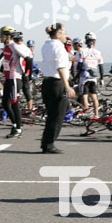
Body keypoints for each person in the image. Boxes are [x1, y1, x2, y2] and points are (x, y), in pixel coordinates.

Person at [40, 23, 77, 153]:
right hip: (57, 83)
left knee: (52, 114)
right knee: (57, 115)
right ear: (58, 34)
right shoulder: (59, 47)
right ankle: (49, 144)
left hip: (47, 82)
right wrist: (67, 86)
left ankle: (46, 143)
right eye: (64, 33)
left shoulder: (46, 45)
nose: (66, 36)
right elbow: (60, 67)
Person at [1, 28, 32, 138]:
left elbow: (28, 59)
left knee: (14, 103)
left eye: (1, 35)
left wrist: (27, 74)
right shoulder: (6, 47)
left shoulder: (14, 46)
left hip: (15, 77)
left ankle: (18, 129)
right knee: (5, 103)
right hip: (8, 78)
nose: (0, 37)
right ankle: (14, 124)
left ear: (8, 36)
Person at [76, 32, 104, 115]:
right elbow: (101, 66)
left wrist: (76, 76)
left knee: (84, 96)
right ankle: (96, 114)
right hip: (94, 77)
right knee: (94, 97)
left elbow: (79, 66)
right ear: (94, 41)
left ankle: (86, 115)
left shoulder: (82, 51)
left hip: (84, 77)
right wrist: (101, 78)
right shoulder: (98, 52)